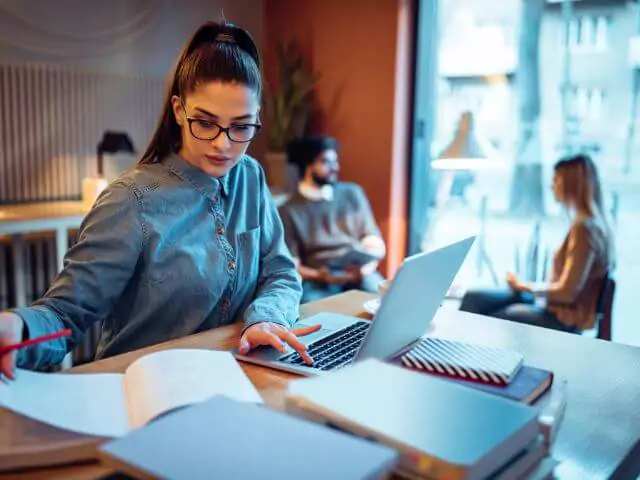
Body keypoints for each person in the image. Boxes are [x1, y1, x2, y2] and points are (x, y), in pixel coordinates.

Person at [0, 21, 319, 380]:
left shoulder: (250, 175)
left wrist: (267, 318)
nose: (223, 144)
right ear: (179, 110)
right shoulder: (130, 200)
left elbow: (280, 272)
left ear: (257, 117)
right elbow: (66, 315)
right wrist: (18, 326)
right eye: (206, 122)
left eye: (241, 126)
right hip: (140, 389)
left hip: (234, 378)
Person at [459, 153, 614, 332]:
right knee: (474, 298)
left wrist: (525, 286)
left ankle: (458, 358)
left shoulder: (584, 230)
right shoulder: (593, 225)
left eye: (556, 180)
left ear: (571, 185)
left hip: (563, 318)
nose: (551, 186)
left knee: (492, 318)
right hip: (554, 308)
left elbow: (567, 293)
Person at [279, 135, 386, 303]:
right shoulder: (288, 210)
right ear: (307, 165)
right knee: (315, 312)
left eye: (335, 161)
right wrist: (321, 276)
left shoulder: (352, 194)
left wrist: (365, 268)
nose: (336, 167)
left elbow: (373, 240)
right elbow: (292, 265)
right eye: (326, 162)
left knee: (384, 303)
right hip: (318, 281)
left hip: (359, 273)